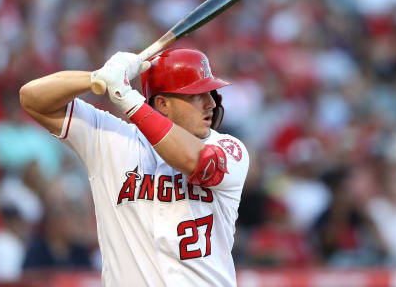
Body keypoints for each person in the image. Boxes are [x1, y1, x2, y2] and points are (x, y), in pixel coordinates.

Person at [19, 48, 249, 286]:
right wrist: (98, 77)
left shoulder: (229, 148)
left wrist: (128, 97)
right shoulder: (110, 138)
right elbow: (32, 99)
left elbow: (195, 161)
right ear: (162, 104)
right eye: (196, 95)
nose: (211, 103)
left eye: (210, 93)